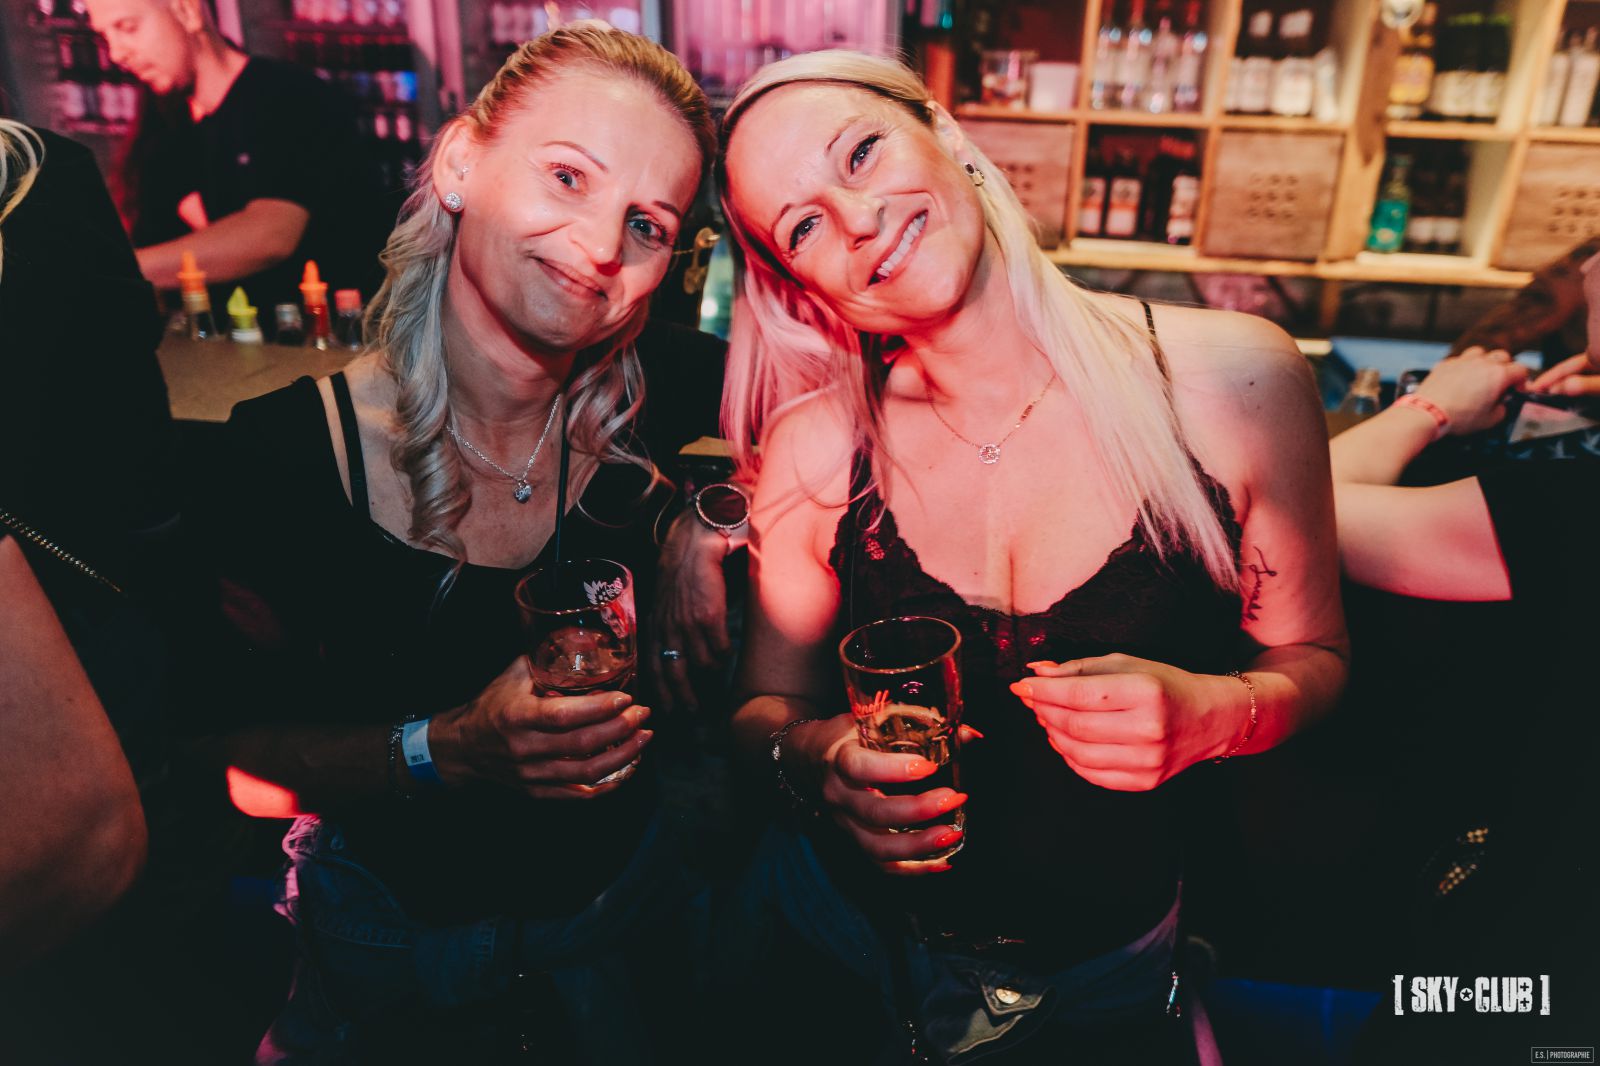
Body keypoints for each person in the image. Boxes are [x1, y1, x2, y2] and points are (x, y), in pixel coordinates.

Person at [715, 51, 1349, 1062]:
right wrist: (820, 760)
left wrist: (1216, 715)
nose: (856, 219)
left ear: (946, 133)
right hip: (848, 958)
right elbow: (763, 710)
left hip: (1110, 976)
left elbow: (1314, 655)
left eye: (862, 153)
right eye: (802, 226)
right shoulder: (819, 448)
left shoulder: (1234, 382)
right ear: (801, 283)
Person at [192, 26, 724, 1062]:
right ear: (460, 163)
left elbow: (850, 398)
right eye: (566, 175)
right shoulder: (288, 453)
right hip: (386, 964)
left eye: (647, 225)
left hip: (628, 937)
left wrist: (714, 522)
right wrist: (447, 749)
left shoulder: (666, 395)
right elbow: (221, 767)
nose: (601, 247)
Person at [1331, 261, 1599, 1064]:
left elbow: (1303, 508)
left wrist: (1430, 407)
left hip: (1539, 950)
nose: (1590, 265)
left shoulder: (1573, 508)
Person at [0, 119, 147, 979]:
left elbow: (91, 836)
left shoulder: (38, 172)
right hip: (93, 583)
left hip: (78, 596)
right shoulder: (40, 168)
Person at [85, 0, 391, 308]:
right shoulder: (165, 121)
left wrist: (114, 269)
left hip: (318, 330)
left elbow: (271, 236)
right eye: (105, 36)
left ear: (187, 11)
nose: (116, 53)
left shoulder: (288, 97)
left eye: (127, 27)